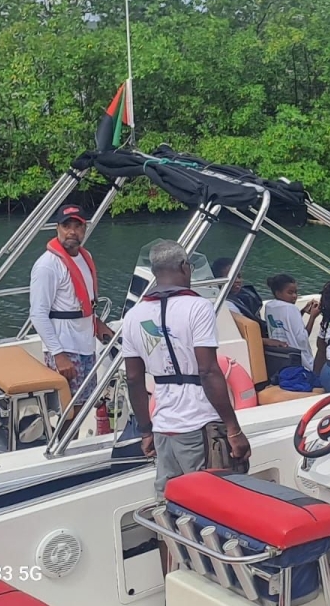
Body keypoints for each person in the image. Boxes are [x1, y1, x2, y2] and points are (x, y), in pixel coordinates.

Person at [121, 240, 252, 570]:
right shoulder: (198, 308)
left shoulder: (134, 316)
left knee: (169, 508)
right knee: (210, 507)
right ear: (184, 268)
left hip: (164, 427)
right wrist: (233, 429)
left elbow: (135, 380)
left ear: (153, 272)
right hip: (200, 425)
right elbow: (208, 370)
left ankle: (175, 577)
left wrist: (145, 430)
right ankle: (213, 575)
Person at [29, 203, 114, 420]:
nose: (72, 231)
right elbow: (38, 314)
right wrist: (58, 355)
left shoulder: (86, 258)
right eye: (67, 226)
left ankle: (71, 445)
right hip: (65, 347)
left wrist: (97, 324)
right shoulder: (47, 266)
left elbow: (83, 303)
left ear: (84, 229)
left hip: (85, 344)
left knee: (83, 405)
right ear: (57, 228)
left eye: (78, 226)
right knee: (68, 410)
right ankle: (60, 448)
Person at [263, 274, 321, 371]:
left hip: (281, 356)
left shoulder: (269, 306)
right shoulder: (291, 308)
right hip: (300, 361)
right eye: (290, 293)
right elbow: (302, 338)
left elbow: (285, 324)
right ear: (278, 293)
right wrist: (312, 317)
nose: (294, 296)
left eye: (296, 292)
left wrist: (302, 311)